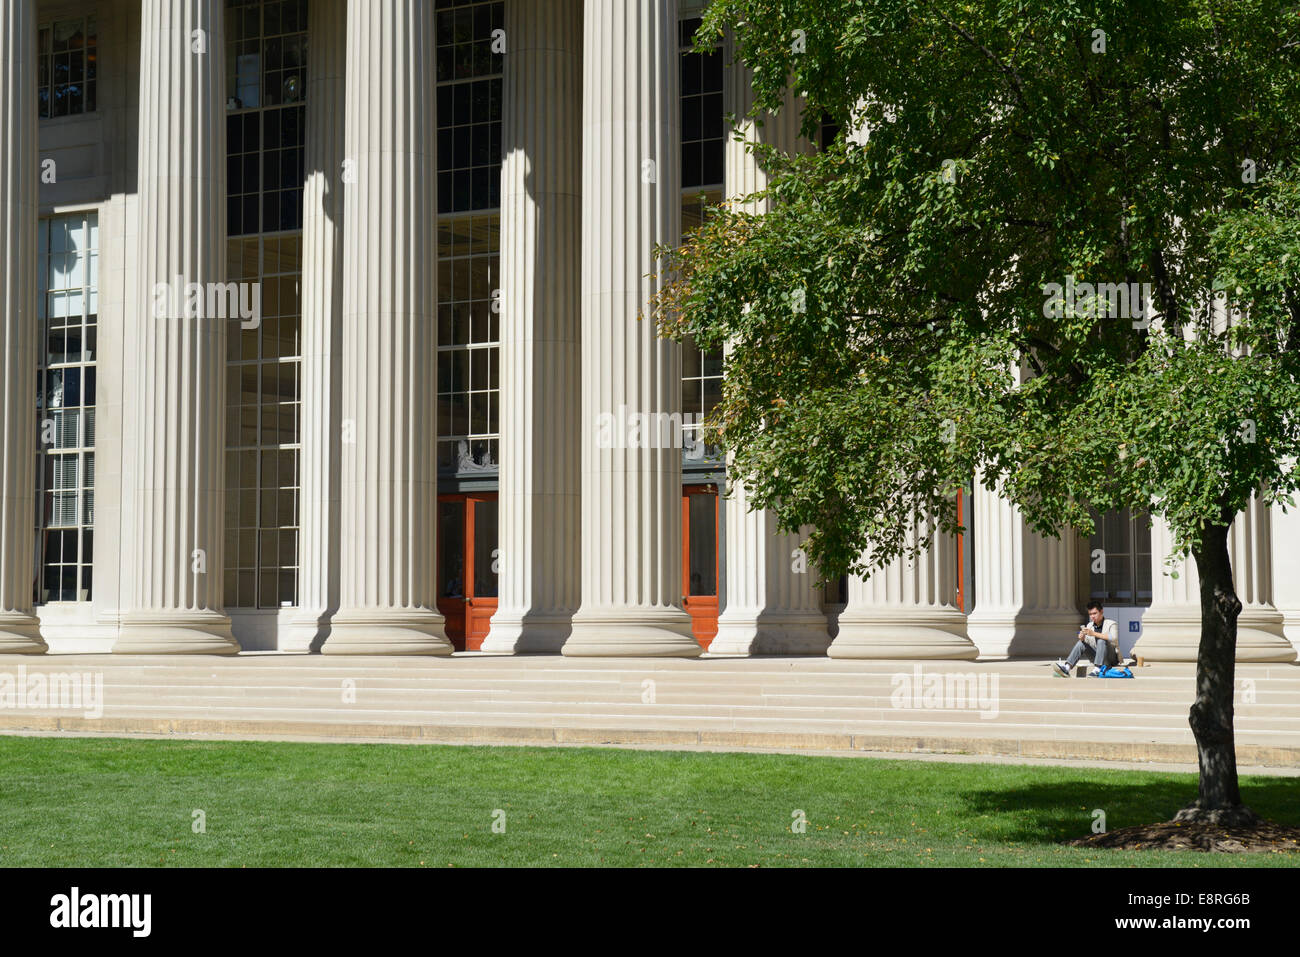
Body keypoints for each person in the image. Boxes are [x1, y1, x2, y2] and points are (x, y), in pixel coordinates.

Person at [1052, 601, 1120, 677]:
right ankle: (1067, 668)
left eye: (1095, 613)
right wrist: (1082, 638)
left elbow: (1113, 638)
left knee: (1101, 640)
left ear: (1101, 612)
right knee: (1081, 643)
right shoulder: (1090, 625)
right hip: (1097, 657)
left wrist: (1094, 634)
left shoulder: (1111, 623)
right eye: (1090, 614)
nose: (1092, 616)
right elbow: (1088, 642)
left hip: (1111, 659)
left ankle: (1097, 669)